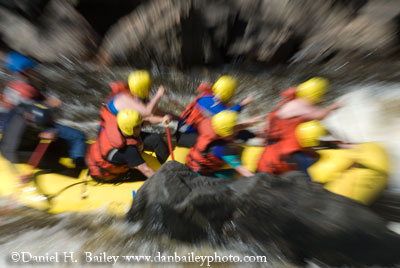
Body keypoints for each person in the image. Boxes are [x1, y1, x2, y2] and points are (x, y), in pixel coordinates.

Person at [0, 52, 87, 178]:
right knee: (78, 136)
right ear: (23, 71)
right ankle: (79, 167)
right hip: (34, 127)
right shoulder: (24, 88)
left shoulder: (11, 87)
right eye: (29, 69)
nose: (32, 71)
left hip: (27, 128)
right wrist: (49, 104)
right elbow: (30, 112)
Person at [257, 77, 342, 175]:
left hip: (267, 155)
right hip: (286, 156)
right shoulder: (302, 105)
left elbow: (266, 127)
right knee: (304, 168)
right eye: (322, 94)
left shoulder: (288, 101)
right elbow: (319, 116)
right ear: (315, 94)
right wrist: (333, 107)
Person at [295, 120, 389, 205]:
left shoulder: (323, 150)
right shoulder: (317, 158)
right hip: (350, 188)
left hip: (353, 181)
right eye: (323, 135)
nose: (327, 135)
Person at [99, 70, 171, 164]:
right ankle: (169, 166)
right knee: (156, 140)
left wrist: (180, 118)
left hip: (126, 131)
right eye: (149, 86)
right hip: (116, 138)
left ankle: (166, 161)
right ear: (143, 88)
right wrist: (159, 94)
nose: (150, 88)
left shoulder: (136, 97)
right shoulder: (125, 100)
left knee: (154, 137)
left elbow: (155, 113)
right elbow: (147, 113)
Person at [177, 75, 254, 148]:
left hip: (183, 129)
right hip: (187, 136)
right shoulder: (217, 108)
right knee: (232, 133)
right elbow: (229, 116)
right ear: (228, 93)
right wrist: (243, 103)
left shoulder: (207, 95)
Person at [87, 109, 156, 181]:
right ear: (129, 129)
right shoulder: (129, 150)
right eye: (138, 126)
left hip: (96, 159)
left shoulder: (113, 127)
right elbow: (146, 170)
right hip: (104, 175)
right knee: (143, 176)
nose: (141, 128)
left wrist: (162, 119)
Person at [186, 110, 254, 178]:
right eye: (234, 127)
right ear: (227, 133)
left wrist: (250, 122)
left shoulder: (212, 129)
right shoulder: (223, 148)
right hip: (204, 175)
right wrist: (255, 177)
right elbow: (242, 170)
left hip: (192, 165)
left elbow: (233, 128)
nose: (237, 128)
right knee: (235, 174)